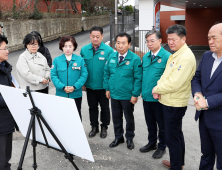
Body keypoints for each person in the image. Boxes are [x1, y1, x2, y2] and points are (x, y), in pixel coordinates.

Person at [152, 25, 196, 169]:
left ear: (183, 39)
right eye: (169, 39)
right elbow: (165, 76)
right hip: (169, 100)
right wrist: (159, 87)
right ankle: (178, 162)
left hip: (175, 103)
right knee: (176, 133)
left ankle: (176, 166)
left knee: (172, 137)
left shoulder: (186, 57)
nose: (170, 42)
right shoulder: (174, 54)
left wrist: (156, 88)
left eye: (174, 39)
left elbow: (174, 83)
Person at [104, 32, 142, 150]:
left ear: (129, 44)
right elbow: (106, 73)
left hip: (127, 96)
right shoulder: (112, 57)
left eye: (123, 43)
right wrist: (107, 88)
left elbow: (138, 78)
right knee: (116, 118)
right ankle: (118, 137)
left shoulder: (135, 59)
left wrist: (135, 94)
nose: (120, 46)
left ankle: (129, 138)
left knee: (129, 118)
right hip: (114, 94)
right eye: (118, 43)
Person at [191, 23, 222, 170]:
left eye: (214, 38)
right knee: (206, 155)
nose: (210, 41)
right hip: (204, 118)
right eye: (208, 38)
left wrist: (207, 102)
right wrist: (197, 93)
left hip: (220, 119)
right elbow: (197, 78)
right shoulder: (207, 55)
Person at [140, 30, 171, 158]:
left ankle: (162, 146)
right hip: (146, 97)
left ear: (160, 40)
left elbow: (170, 78)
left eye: (152, 40)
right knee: (150, 123)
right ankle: (152, 143)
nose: (149, 43)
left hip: (159, 99)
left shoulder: (167, 57)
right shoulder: (146, 57)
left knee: (162, 125)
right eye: (147, 41)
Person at [80, 26, 113, 138]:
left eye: (97, 36)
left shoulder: (108, 51)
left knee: (105, 108)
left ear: (102, 36)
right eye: (93, 36)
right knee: (92, 108)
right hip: (90, 87)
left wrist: (108, 87)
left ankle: (104, 127)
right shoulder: (84, 50)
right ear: (90, 36)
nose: (95, 39)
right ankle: (94, 127)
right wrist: (83, 83)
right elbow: (82, 68)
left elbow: (111, 70)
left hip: (103, 87)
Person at [51, 35, 88, 120]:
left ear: (74, 47)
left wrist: (75, 87)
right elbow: (53, 75)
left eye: (70, 46)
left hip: (76, 94)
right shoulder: (56, 60)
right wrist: (63, 87)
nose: (67, 48)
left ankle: (77, 133)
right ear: (62, 47)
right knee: (62, 116)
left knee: (76, 115)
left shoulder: (80, 60)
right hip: (61, 94)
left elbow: (84, 74)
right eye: (65, 46)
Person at [0, 34, 17, 170]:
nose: (8, 51)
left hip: (7, 119)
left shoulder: (5, 68)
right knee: (2, 161)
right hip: (1, 123)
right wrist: (14, 98)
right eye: (4, 48)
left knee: (6, 157)